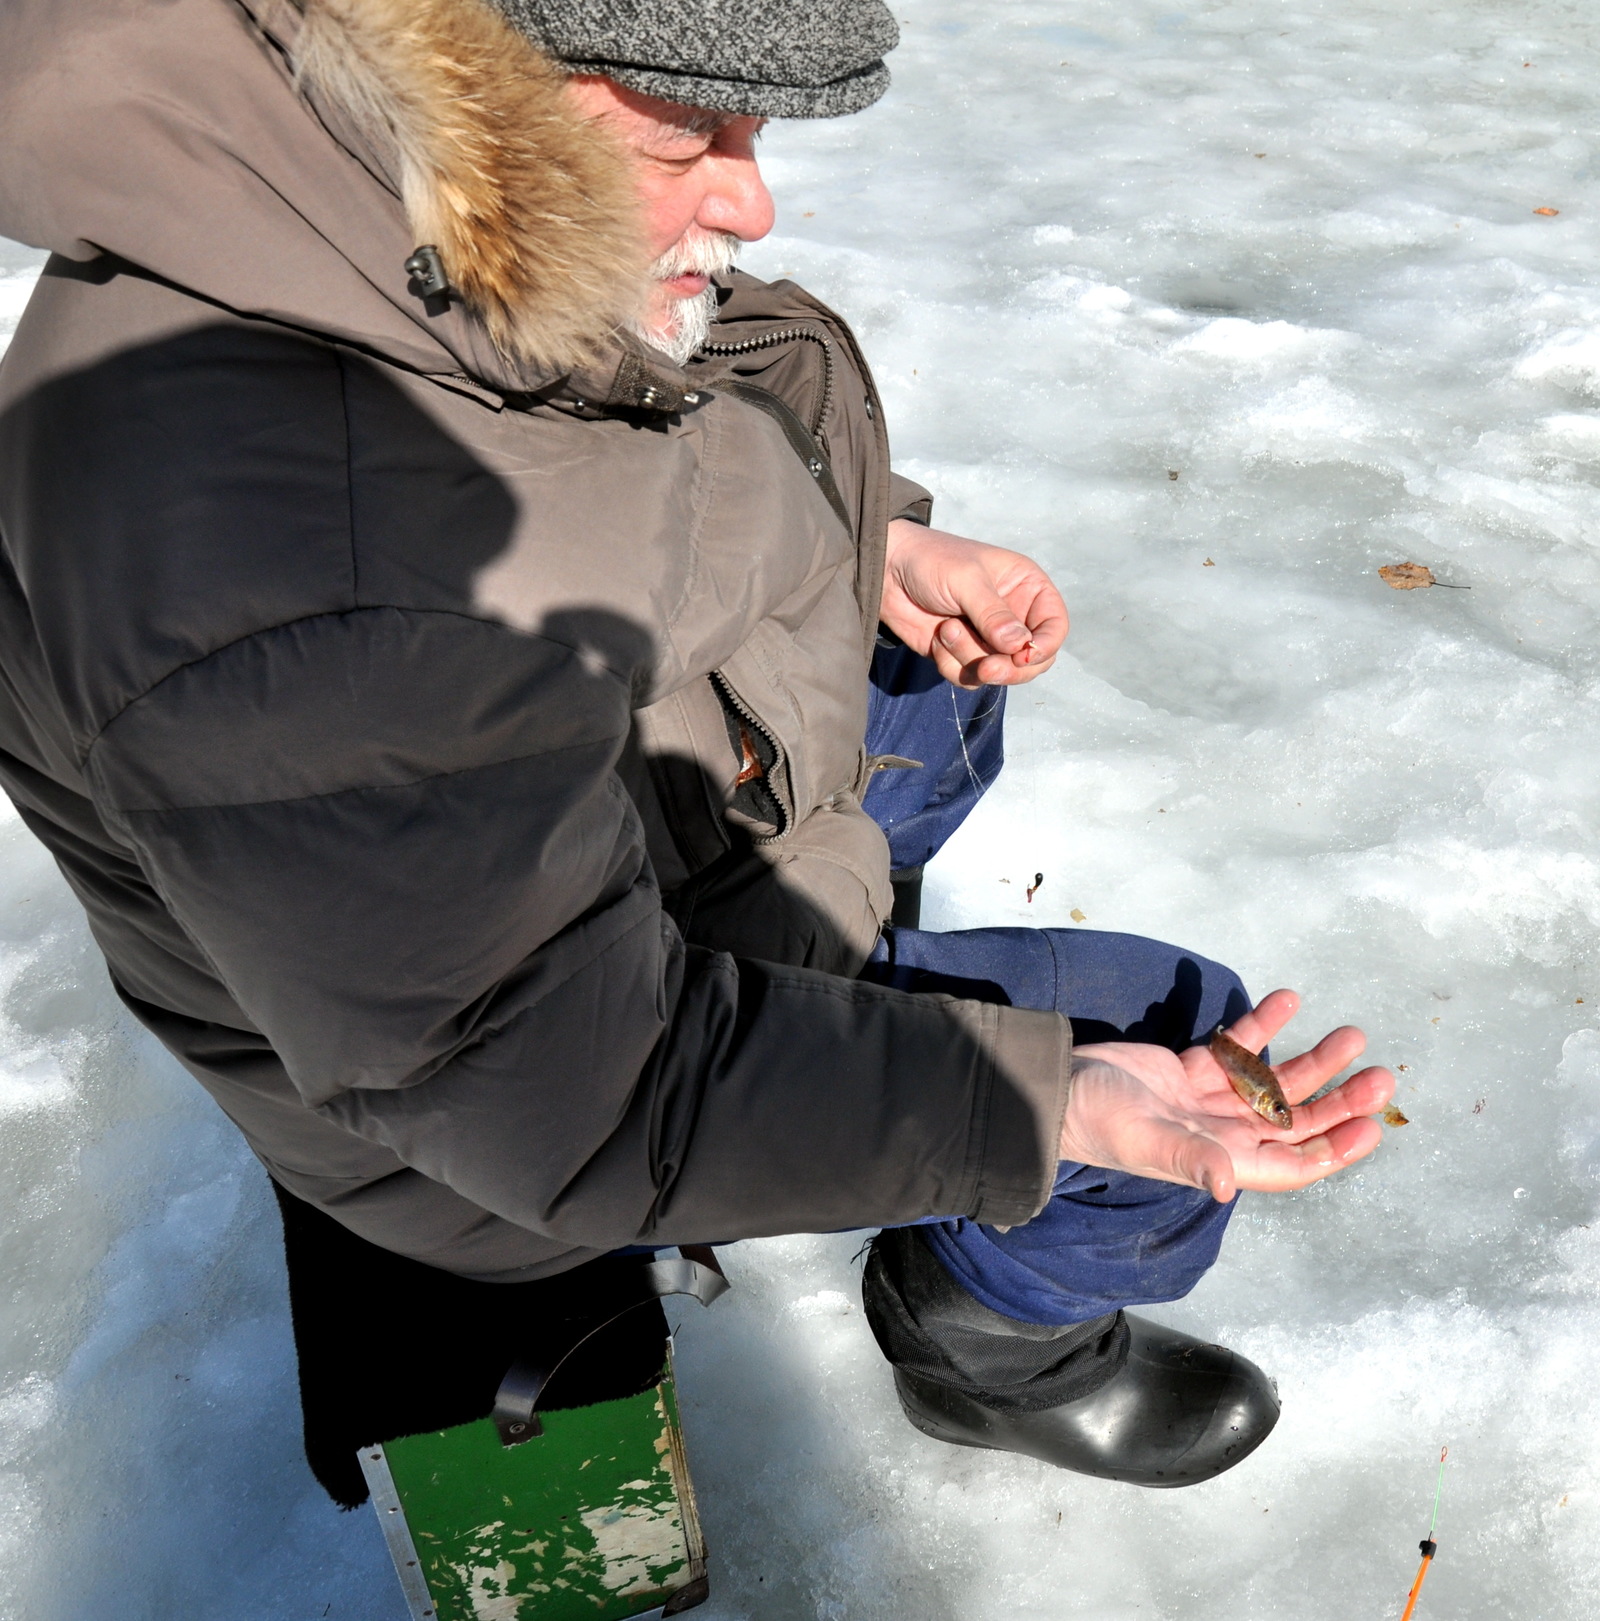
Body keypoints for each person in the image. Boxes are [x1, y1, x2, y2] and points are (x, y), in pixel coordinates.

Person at [0, 0, 1393, 1519]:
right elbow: (563, 1087)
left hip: (624, 821)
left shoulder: (379, 217)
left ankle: (861, 995)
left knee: (929, 700)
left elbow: (645, 445)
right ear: (468, 76)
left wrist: (881, 552)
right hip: (540, 1076)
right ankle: (994, 1344)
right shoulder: (316, 565)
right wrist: (1051, 1105)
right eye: (690, 134)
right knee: (1173, 1031)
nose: (752, 198)